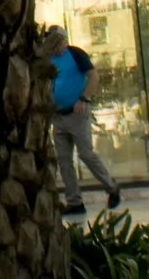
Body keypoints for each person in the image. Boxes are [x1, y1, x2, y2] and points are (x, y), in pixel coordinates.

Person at [42, 25, 121, 214]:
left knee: (86, 153)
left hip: (77, 114)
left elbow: (93, 76)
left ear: (64, 40)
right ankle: (75, 202)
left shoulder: (75, 54)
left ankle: (111, 187)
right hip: (58, 116)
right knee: (64, 160)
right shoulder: (47, 58)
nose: (57, 45)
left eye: (58, 41)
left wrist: (84, 98)